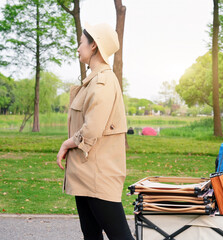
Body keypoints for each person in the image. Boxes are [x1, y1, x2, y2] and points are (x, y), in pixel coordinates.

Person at [56, 22, 134, 240]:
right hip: (84, 175)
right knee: (91, 236)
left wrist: (66, 143)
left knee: (120, 236)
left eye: (81, 43)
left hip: (98, 177)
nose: (78, 47)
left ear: (93, 46)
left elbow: (91, 129)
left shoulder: (103, 81)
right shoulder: (92, 82)